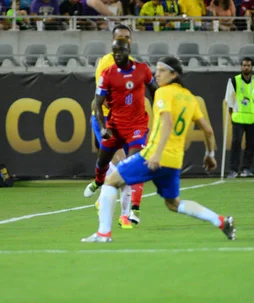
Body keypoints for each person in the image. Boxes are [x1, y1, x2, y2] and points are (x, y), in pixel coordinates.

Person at [81, 56, 236, 243]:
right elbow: (209, 131)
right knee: (173, 203)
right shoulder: (190, 98)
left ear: (174, 74)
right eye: (157, 69)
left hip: (154, 155)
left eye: (162, 70)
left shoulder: (164, 93)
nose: (157, 73)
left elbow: (167, 123)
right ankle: (221, 221)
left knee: (110, 181)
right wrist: (210, 154)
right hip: (174, 160)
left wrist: (156, 153)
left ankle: (103, 233)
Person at [84, 38, 158, 229]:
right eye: (114, 50)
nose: (117, 54)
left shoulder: (140, 70)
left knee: (129, 166)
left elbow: (154, 90)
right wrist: (103, 127)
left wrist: (160, 111)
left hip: (135, 127)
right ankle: (100, 185)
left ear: (129, 48)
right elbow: (96, 103)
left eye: (121, 50)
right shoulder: (106, 69)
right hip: (113, 125)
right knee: (111, 163)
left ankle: (127, 213)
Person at [227, 58, 254, 178]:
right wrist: (231, 114)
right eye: (244, 65)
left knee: (251, 144)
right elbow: (230, 99)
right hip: (238, 118)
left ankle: (246, 168)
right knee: (236, 143)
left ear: (251, 67)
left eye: (248, 65)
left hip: (253, 118)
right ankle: (233, 169)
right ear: (241, 67)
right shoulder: (235, 80)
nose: (246, 67)